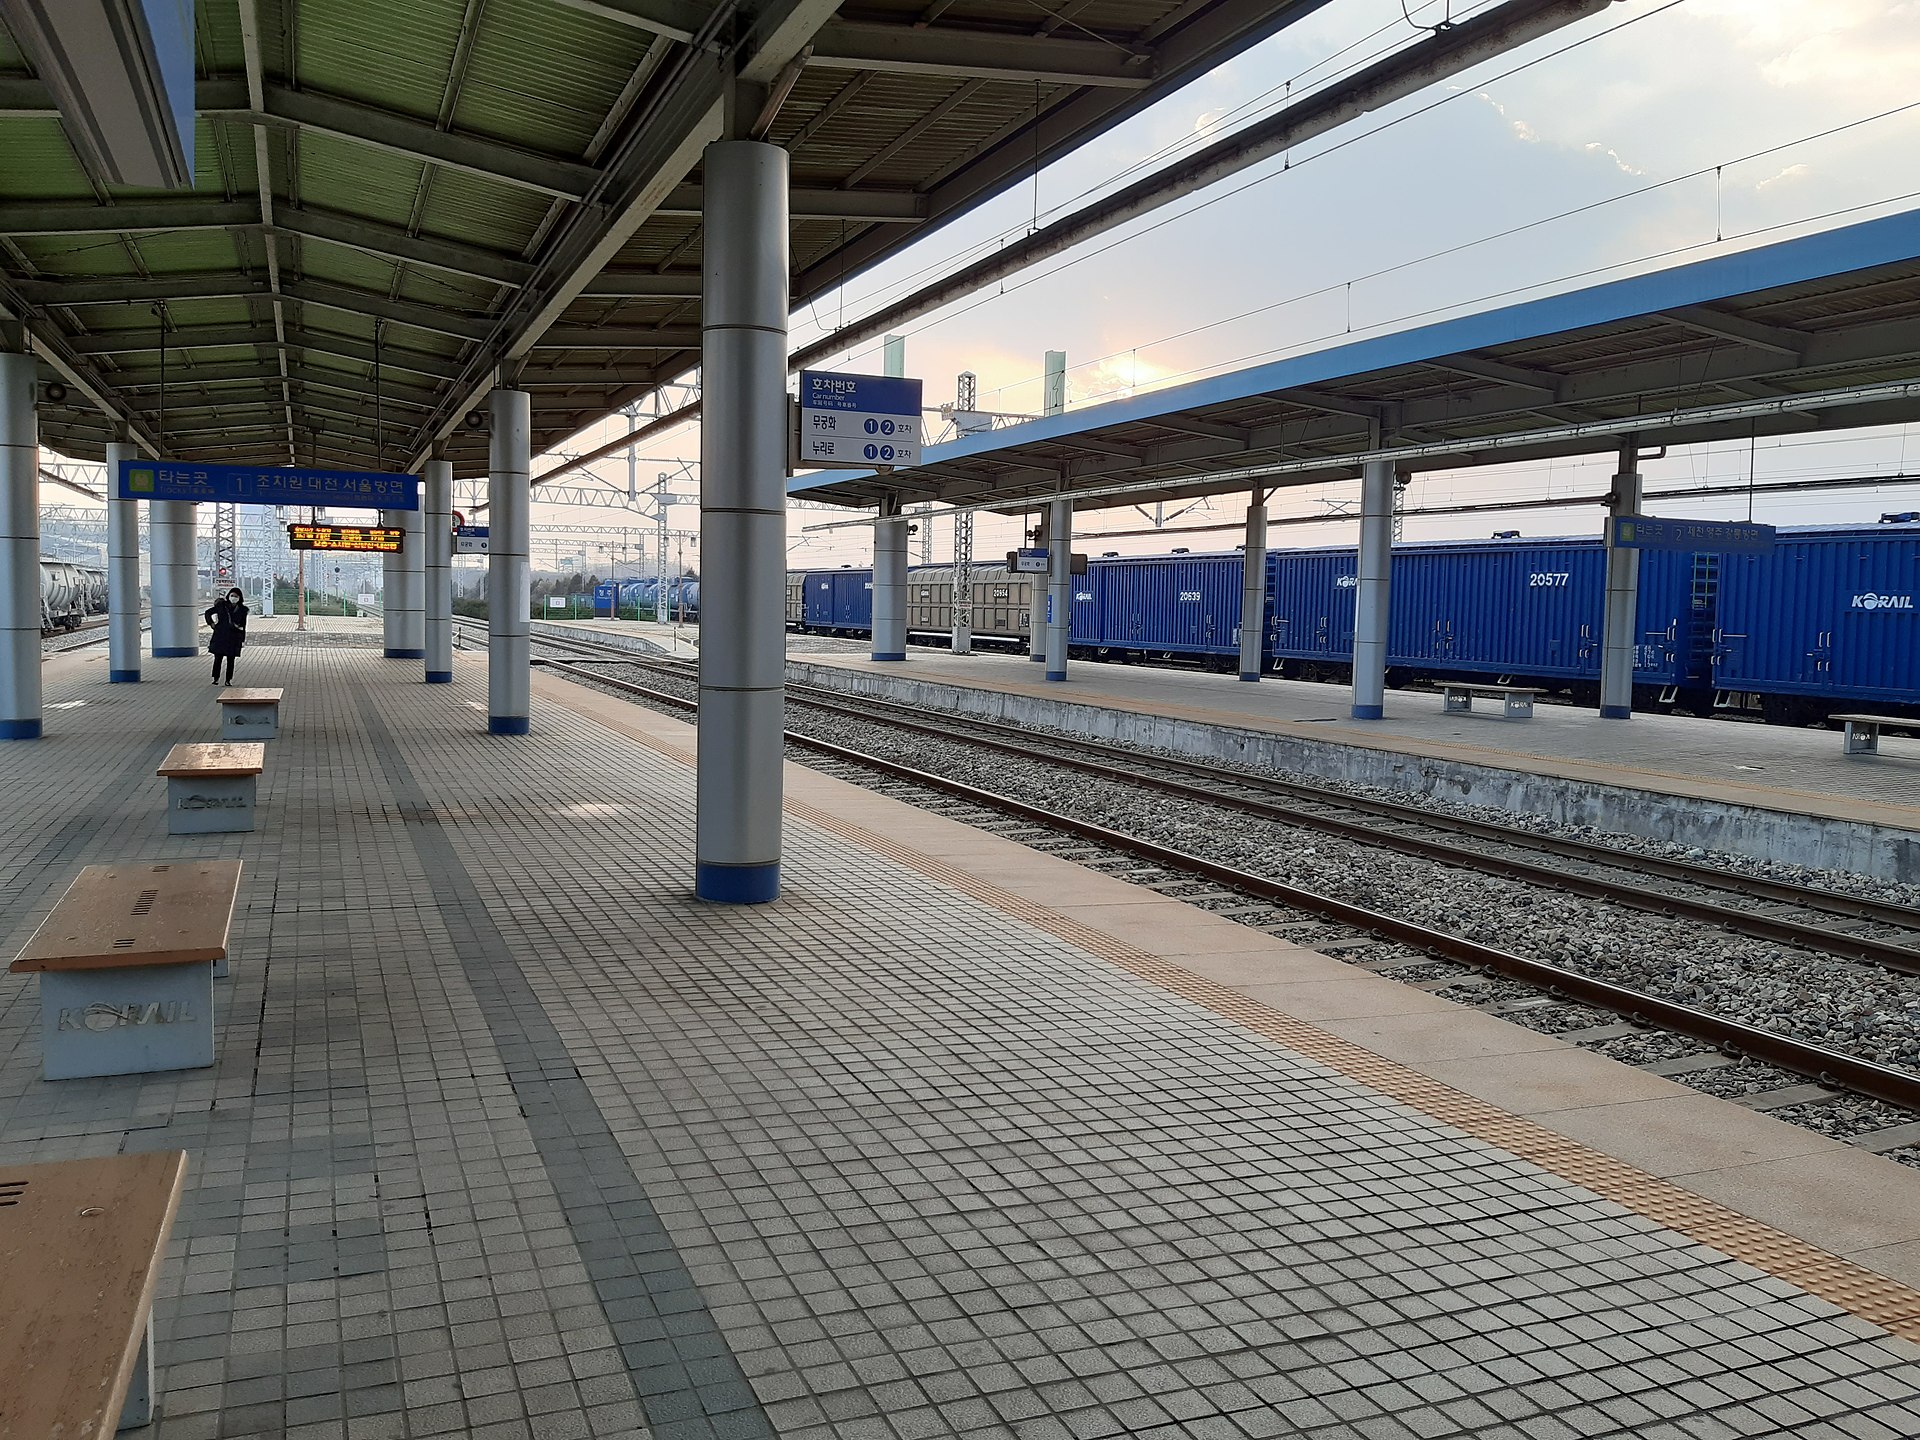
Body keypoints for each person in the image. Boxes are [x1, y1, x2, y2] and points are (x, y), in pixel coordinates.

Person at [206, 587, 249, 685]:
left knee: (231, 659)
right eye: (232, 595)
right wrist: (211, 623)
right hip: (221, 635)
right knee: (218, 658)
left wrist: (242, 639)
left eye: (236, 596)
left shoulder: (243, 610)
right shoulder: (222, 606)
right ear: (228, 596)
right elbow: (208, 613)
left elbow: (243, 625)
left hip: (234, 637)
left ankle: (228, 680)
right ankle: (216, 678)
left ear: (240, 598)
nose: (234, 598)